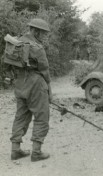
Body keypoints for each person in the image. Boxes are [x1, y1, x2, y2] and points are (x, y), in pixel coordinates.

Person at [10, 18, 52, 162]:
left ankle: (15, 150)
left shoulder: (17, 42)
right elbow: (45, 70)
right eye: (43, 33)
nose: (44, 36)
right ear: (35, 31)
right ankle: (36, 152)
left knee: (21, 116)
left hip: (20, 82)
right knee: (42, 116)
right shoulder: (37, 48)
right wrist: (49, 89)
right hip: (36, 83)